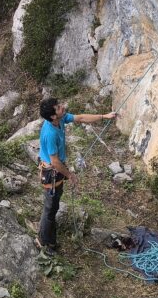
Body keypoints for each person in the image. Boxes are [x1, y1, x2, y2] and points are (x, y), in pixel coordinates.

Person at [37, 97, 116, 255]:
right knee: (50, 208)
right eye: (59, 107)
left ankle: (47, 238)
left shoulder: (59, 119)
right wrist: (70, 175)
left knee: (54, 204)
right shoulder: (50, 133)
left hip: (56, 169)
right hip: (52, 172)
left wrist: (103, 116)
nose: (63, 107)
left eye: (60, 105)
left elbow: (80, 118)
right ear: (53, 115)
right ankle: (44, 242)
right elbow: (55, 161)